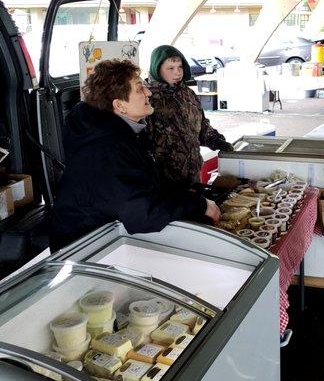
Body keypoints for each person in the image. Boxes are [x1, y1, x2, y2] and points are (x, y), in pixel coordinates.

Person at [50, 59, 220, 251]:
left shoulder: (124, 133)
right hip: (85, 249)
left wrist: (191, 196)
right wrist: (197, 205)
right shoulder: (105, 149)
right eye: (140, 89)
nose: (149, 92)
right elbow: (142, 212)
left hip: (110, 235)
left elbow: (148, 187)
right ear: (120, 106)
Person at [146, 45, 233, 188]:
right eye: (170, 68)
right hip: (164, 181)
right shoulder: (148, 98)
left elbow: (202, 126)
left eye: (180, 67)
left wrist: (215, 140)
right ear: (157, 68)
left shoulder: (188, 94)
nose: (177, 72)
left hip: (193, 173)